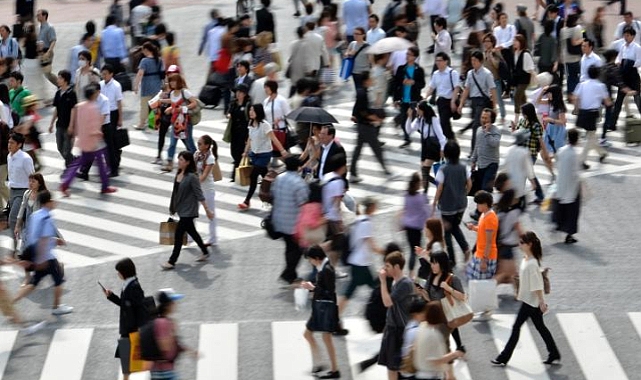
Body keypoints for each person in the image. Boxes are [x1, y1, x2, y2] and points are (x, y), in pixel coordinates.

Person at [492, 231, 561, 366]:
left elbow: (537, 285)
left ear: (529, 245)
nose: (519, 244)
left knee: (516, 327)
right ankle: (554, 353)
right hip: (529, 300)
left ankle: (503, 357)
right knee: (541, 327)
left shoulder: (532, 263)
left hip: (531, 302)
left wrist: (542, 302)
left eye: (522, 243)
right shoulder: (526, 259)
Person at [12, 190, 73, 315]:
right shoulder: (46, 217)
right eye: (52, 200)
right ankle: (56, 308)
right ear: (48, 202)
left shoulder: (35, 215)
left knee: (34, 282)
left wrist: (54, 242)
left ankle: (12, 302)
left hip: (35, 252)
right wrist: (42, 259)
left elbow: (33, 235)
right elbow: (43, 239)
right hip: (45, 256)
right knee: (59, 280)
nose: (54, 203)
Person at [60, 84, 116, 196]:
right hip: (93, 141)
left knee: (79, 163)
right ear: (93, 95)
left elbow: (78, 122)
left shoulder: (80, 106)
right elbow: (94, 126)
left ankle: (66, 184)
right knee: (100, 162)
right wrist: (98, 133)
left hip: (83, 139)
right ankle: (105, 186)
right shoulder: (93, 108)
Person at [161, 152, 214, 269]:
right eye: (178, 159)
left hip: (189, 210)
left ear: (188, 162)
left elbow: (199, 194)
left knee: (179, 234)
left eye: (181, 160)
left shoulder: (192, 177)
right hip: (180, 208)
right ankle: (205, 251)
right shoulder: (179, 174)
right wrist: (172, 208)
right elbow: (175, 193)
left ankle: (172, 261)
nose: (179, 161)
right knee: (192, 231)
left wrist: (207, 210)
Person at [338, 197, 385, 318]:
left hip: (358, 261)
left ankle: (335, 317)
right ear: (371, 208)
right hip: (361, 263)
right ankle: (335, 317)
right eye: (375, 206)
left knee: (372, 287)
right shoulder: (366, 223)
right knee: (377, 287)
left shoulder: (359, 220)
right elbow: (370, 244)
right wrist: (384, 252)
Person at [103, 258, 147, 380]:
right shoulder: (128, 285)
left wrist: (138, 330)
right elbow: (125, 304)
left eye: (119, 272)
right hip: (128, 329)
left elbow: (140, 308)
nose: (118, 274)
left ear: (124, 272)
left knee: (129, 362)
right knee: (127, 363)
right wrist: (112, 297)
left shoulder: (134, 287)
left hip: (131, 330)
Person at [300, 245, 340, 379]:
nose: (310, 262)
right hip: (320, 308)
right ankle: (321, 363)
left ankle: (333, 369)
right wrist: (312, 287)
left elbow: (329, 292)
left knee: (325, 337)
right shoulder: (322, 267)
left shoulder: (327, 269)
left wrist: (313, 288)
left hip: (325, 309)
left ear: (317, 258)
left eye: (310, 259)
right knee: (310, 335)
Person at [238, 104, 287, 210]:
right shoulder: (251, 124)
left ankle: (247, 201)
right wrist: (245, 151)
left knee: (253, 176)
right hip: (254, 154)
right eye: (250, 110)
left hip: (264, 155)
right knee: (266, 176)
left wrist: (282, 150)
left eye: (253, 110)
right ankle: (278, 194)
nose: (250, 112)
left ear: (258, 112)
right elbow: (250, 139)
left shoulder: (265, 125)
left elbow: (273, 139)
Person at [416, 250, 466, 353]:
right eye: (432, 263)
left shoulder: (452, 279)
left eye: (435, 263)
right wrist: (421, 292)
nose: (432, 266)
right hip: (436, 315)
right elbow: (429, 298)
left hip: (447, 314)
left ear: (442, 264)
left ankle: (456, 351)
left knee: (444, 343)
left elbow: (462, 297)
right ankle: (458, 349)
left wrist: (449, 288)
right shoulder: (431, 278)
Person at [271, 155, 310, 284]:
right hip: (293, 222)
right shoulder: (299, 183)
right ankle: (288, 273)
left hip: (279, 218)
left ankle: (290, 274)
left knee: (289, 247)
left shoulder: (279, 178)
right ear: (298, 167)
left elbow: (273, 195)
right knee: (297, 249)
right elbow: (303, 203)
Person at [432, 141, 472, 266]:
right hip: (461, 204)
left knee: (447, 232)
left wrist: (434, 202)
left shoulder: (443, 169)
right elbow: (469, 183)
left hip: (447, 206)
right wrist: (464, 193)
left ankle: (452, 260)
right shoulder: (464, 167)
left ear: (447, 154)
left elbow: (440, 188)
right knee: (455, 226)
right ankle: (465, 248)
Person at [378, 251, 414, 380]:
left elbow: (387, 302)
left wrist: (382, 282)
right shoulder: (395, 282)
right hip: (392, 328)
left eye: (387, 266)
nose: (384, 269)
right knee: (391, 367)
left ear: (397, 267)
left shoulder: (405, 284)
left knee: (395, 367)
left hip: (400, 330)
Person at [148, 288, 198, 379]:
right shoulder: (162, 322)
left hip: (163, 370)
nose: (175, 304)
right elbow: (164, 346)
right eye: (173, 302)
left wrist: (190, 351)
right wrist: (172, 332)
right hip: (163, 372)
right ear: (167, 305)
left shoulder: (164, 321)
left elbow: (175, 343)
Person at [350, 71, 390, 183]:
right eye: (371, 79)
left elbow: (357, 106)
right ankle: (387, 171)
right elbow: (363, 111)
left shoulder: (362, 92)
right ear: (366, 81)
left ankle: (353, 173)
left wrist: (354, 115)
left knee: (358, 149)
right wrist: (376, 119)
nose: (373, 80)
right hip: (366, 126)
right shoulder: (363, 93)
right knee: (376, 148)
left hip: (362, 125)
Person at [458, 50, 498, 155]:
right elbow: (467, 89)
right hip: (473, 101)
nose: (473, 62)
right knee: (480, 126)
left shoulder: (487, 74)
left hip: (482, 102)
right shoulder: (470, 73)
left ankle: (473, 151)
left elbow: (493, 90)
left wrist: (495, 106)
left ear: (480, 61)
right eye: (472, 60)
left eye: (475, 60)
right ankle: (482, 148)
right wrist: (461, 104)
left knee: (476, 125)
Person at [573, 65, 613, 169]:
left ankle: (602, 153)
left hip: (582, 112)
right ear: (598, 74)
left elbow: (575, 97)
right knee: (590, 137)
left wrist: (576, 109)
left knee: (591, 136)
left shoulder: (582, 84)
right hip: (592, 113)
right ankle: (582, 160)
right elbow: (607, 102)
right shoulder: (600, 86)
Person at [413, 301, 465, 379]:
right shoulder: (434, 335)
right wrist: (455, 354)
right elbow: (435, 360)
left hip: (420, 372)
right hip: (431, 375)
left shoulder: (422, 327)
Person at [511, 103, 550, 204]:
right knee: (528, 174)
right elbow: (517, 134)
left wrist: (546, 154)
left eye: (523, 112)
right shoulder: (522, 121)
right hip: (521, 152)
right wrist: (513, 129)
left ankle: (520, 197)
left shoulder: (536, 125)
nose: (522, 114)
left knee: (526, 173)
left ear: (527, 113)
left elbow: (541, 141)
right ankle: (536, 195)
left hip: (531, 154)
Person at [404, 100, 446, 192]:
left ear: (424, 110)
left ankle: (425, 193)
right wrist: (409, 117)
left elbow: (441, 136)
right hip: (425, 147)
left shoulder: (434, 119)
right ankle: (439, 184)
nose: (417, 110)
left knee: (425, 170)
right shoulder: (419, 119)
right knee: (424, 173)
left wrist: (442, 149)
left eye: (418, 109)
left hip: (433, 147)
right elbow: (409, 130)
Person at [161, 73, 198, 172]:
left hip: (186, 122)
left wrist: (183, 108)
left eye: (174, 81)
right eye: (171, 81)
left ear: (178, 82)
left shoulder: (184, 92)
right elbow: (173, 102)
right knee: (172, 143)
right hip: (176, 122)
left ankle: (197, 161)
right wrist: (168, 106)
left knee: (189, 143)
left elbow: (194, 102)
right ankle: (169, 163)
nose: (172, 83)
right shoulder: (173, 93)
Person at [14, 173, 47, 285]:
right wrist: (18, 225)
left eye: (33, 181)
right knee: (24, 252)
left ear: (39, 183)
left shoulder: (42, 196)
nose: (30, 183)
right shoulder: (27, 194)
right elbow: (22, 210)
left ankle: (56, 266)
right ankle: (27, 277)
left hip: (38, 231)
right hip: (27, 228)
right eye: (30, 181)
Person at [7, 133, 34, 255]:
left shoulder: (25, 158)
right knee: (19, 221)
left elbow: (32, 176)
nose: (9, 145)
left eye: (12, 143)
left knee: (13, 218)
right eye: (9, 142)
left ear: (19, 144)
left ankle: (16, 247)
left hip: (23, 192)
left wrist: (34, 193)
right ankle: (21, 244)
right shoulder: (9, 156)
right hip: (12, 191)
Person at [610, 26, 641, 134]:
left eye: (627, 35)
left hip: (633, 76)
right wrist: (618, 62)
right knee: (618, 102)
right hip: (624, 76)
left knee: (638, 100)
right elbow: (619, 57)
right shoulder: (623, 46)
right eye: (624, 35)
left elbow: (639, 61)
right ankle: (612, 124)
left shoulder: (637, 47)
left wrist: (629, 63)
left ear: (632, 36)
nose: (625, 37)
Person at [394, 46, 426, 149]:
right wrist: (395, 99)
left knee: (415, 121)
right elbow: (396, 84)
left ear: (415, 57)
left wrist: (413, 82)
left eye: (410, 54)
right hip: (404, 99)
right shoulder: (401, 69)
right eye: (407, 54)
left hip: (414, 99)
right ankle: (407, 139)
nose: (407, 56)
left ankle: (426, 137)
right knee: (404, 121)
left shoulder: (419, 70)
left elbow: (422, 84)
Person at [554, 128, 582, 244]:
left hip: (560, 183)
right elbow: (575, 172)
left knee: (561, 207)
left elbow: (557, 164)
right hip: (571, 186)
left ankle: (558, 225)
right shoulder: (574, 154)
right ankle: (569, 234)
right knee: (572, 212)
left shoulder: (561, 150)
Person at [401, 173, 430, 277]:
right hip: (417, 227)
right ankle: (424, 269)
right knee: (418, 250)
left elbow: (405, 209)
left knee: (413, 250)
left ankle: (411, 272)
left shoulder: (406, 195)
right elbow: (425, 211)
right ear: (417, 183)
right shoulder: (420, 197)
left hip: (408, 226)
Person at [424, 52, 459, 140]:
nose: (438, 63)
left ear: (446, 61)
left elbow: (456, 88)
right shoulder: (436, 74)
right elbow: (431, 87)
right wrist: (425, 97)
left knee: (444, 122)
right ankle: (451, 138)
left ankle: (450, 139)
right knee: (444, 122)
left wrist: (453, 101)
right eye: (436, 61)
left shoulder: (452, 73)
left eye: (440, 60)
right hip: (441, 101)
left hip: (450, 100)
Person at [493, 186, 522, 285]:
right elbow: (519, 230)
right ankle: (486, 290)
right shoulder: (514, 213)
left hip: (502, 244)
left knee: (510, 274)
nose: (517, 199)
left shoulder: (501, 211)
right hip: (507, 246)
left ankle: (518, 294)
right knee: (507, 274)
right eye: (516, 197)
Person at [502, 130, 537, 209]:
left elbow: (504, 166)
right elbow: (529, 170)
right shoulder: (524, 152)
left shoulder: (509, 150)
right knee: (516, 204)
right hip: (519, 183)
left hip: (508, 182)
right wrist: (533, 183)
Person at [133, 42, 164, 131]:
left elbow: (140, 74)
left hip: (147, 86)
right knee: (155, 105)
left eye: (143, 50)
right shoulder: (159, 60)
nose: (143, 52)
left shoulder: (144, 61)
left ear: (146, 50)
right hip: (157, 85)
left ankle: (142, 124)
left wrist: (136, 86)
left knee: (144, 105)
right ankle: (153, 123)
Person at [49, 70, 78, 167]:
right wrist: (51, 123)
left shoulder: (71, 93)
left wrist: (71, 125)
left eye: (60, 78)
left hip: (68, 125)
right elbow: (56, 109)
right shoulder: (58, 93)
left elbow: (74, 109)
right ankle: (73, 160)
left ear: (65, 80)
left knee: (67, 149)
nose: (58, 80)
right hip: (59, 124)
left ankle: (69, 167)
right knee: (59, 147)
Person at [99, 64, 124, 177]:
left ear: (111, 74)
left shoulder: (116, 85)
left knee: (112, 140)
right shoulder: (100, 85)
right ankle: (112, 162)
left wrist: (120, 118)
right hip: (103, 114)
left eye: (105, 74)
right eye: (102, 74)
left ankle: (114, 165)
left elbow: (119, 102)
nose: (103, 76)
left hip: (112, 113)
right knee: (107, 141)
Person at [195, 135, 219, 248]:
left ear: (207, 146)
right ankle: (190, 237)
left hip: (207, 190)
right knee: (192, 213)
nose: (198, 145)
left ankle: (213, 238)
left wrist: (192, 184)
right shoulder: (197, 154)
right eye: (198, 143)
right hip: (197, 189)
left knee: (210, 214)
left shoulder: (210, 158)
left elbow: (204, 176)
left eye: (200, 143)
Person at [471, 108, 501, 192]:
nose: (483, 120)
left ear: (491, 120)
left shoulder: (496, 131)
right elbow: (477, 146)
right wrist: (473, 160)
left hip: (491, 164)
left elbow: (494, 144)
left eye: (486, 118)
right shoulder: (479, 130)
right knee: (480, 188)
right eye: (482, 117)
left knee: (486, 188)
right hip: (481, 164)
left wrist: (487, 133)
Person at [226, 84, 251, 181]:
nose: (238, 94)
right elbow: (229, 112)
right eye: (237, 92)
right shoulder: (233, 103)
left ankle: (236, 175)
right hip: (234, 131)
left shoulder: (248, 105)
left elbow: (250, 118)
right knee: (234, 152)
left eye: (240, 92)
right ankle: (238, 173)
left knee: (240, 153)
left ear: (244, 94)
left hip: (244, 132)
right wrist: (228, 115)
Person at [481, 34, 507, 124]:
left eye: (488, 41)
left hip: (495, 80)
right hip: (485, 82)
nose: (486, 43)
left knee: (499, 99)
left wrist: (491, 56)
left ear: (492, 42)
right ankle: (489, 117)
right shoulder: (483, 53)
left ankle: (503, 116)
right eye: (485, 41)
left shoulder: (496, 52)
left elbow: (497, 65)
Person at [512, 35, 536, 124]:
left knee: (516, 96)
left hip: (524, 80)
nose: (514, 42)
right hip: (518, 79)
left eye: (516, 41)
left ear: (521, 42)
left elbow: (530, 68)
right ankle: (529, 117)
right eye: (514, 40)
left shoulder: (525, 53)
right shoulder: (515, 52)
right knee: (523, 100)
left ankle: (516, 119)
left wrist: (534, 77)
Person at [539, 85, 568, 155]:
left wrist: (550, 119)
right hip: (550, 128)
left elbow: (562, 122)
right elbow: (538, 101)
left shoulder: (560, 107)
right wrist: (542, 91)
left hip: (558, 130)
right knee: (545, 149)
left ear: (554, 94)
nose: (548, 95)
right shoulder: (551, 102)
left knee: (556, 149)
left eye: (550, 93)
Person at [561, 14, 584, 97]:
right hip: (576, 57)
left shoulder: (563, 31)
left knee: (570, 77)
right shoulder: (578, 28)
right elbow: (576, 41)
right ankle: (576, 94)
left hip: (566, 58)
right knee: (577, 76)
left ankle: (570, 94)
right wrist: (582, 39)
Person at [36, 9, 58, 90]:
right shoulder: (38, 28)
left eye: (39, 15)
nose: (37, 17)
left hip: (46, 51)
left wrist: (49, 51)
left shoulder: (49, 27)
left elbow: (53, 40)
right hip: (39, 52)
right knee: (38, 72)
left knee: (47, 73)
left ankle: (59, 84)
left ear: (44, 16)